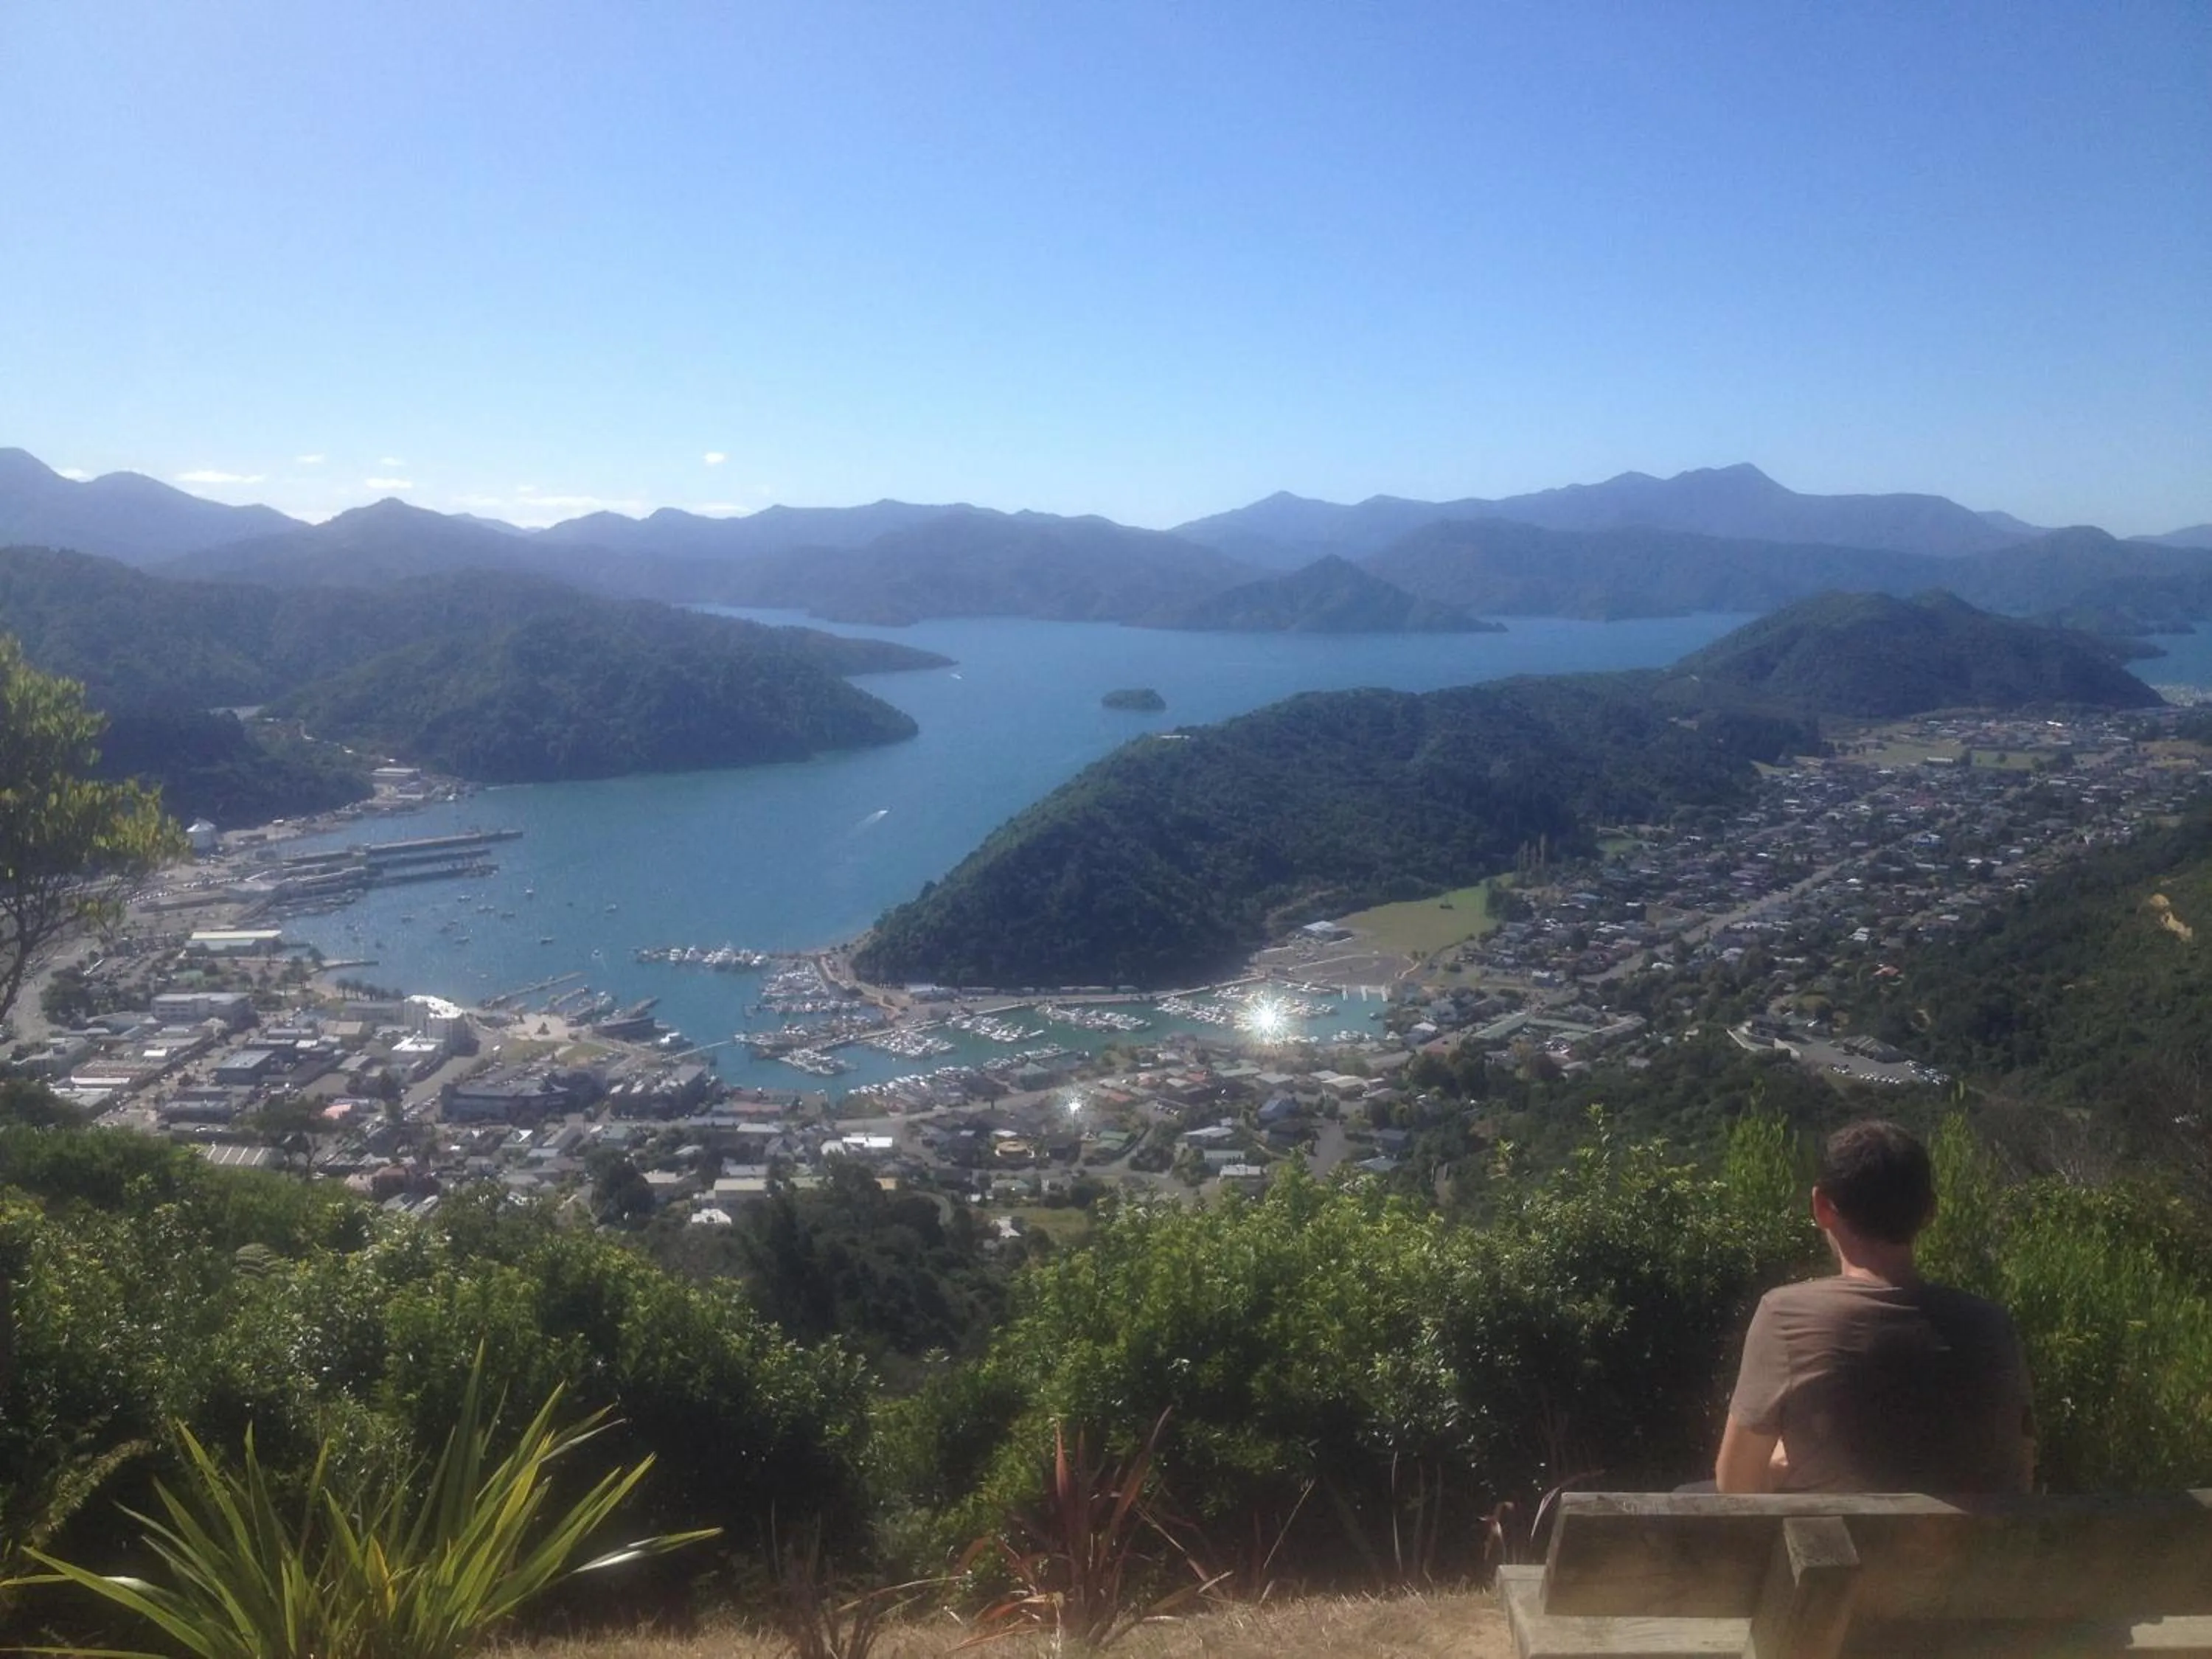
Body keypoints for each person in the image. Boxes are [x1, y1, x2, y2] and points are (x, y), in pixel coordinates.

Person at [1716, 1119, 2034, 1494]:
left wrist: (1779, 1467)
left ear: (1821, 1207)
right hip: (1971, 1549)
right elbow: (2020, 1475)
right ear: (1930, 1212)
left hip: (1833, 1549)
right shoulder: (1992, 1326)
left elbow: (1735, 1486)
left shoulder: (1786, 1317)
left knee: (1689, 1497)